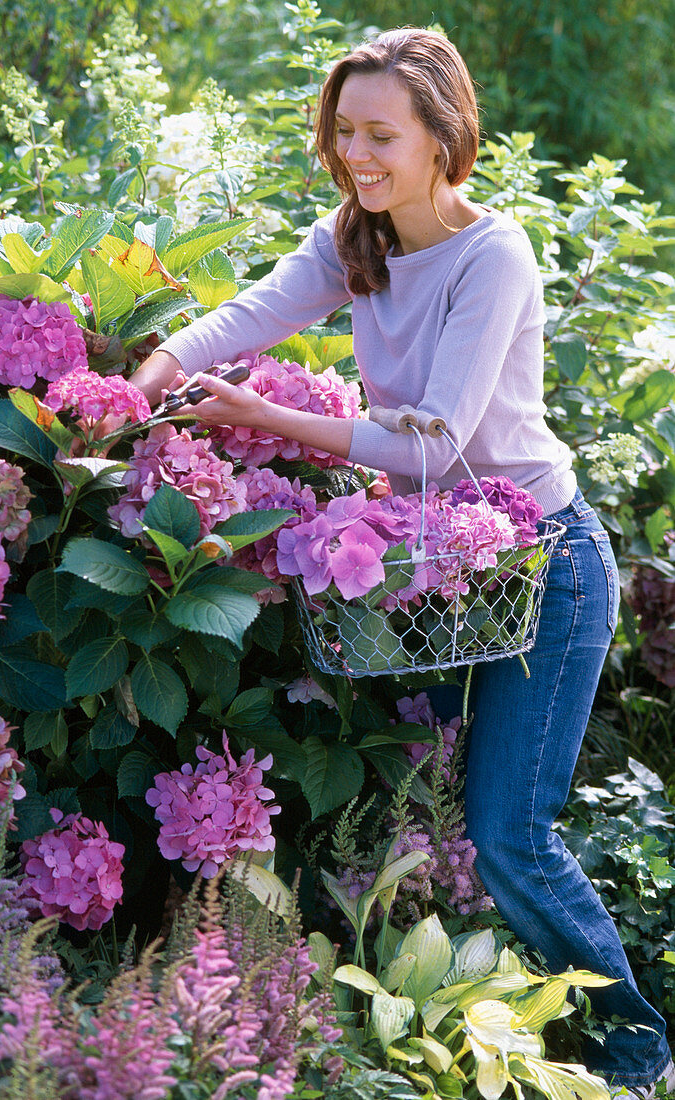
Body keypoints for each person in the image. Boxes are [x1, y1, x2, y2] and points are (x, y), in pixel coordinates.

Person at [127, 28, 673, 1094]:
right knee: (406, 802)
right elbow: (244, 316)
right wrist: (136, 381)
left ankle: (639, 1054)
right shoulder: (354, 240)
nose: (358, 155)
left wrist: (266, 414)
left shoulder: (492, 254)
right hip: (437, 573)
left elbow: (434, 441)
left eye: (382, 134)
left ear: (443, 140)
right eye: (344, 133)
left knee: (508, 829)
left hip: (543, 566)